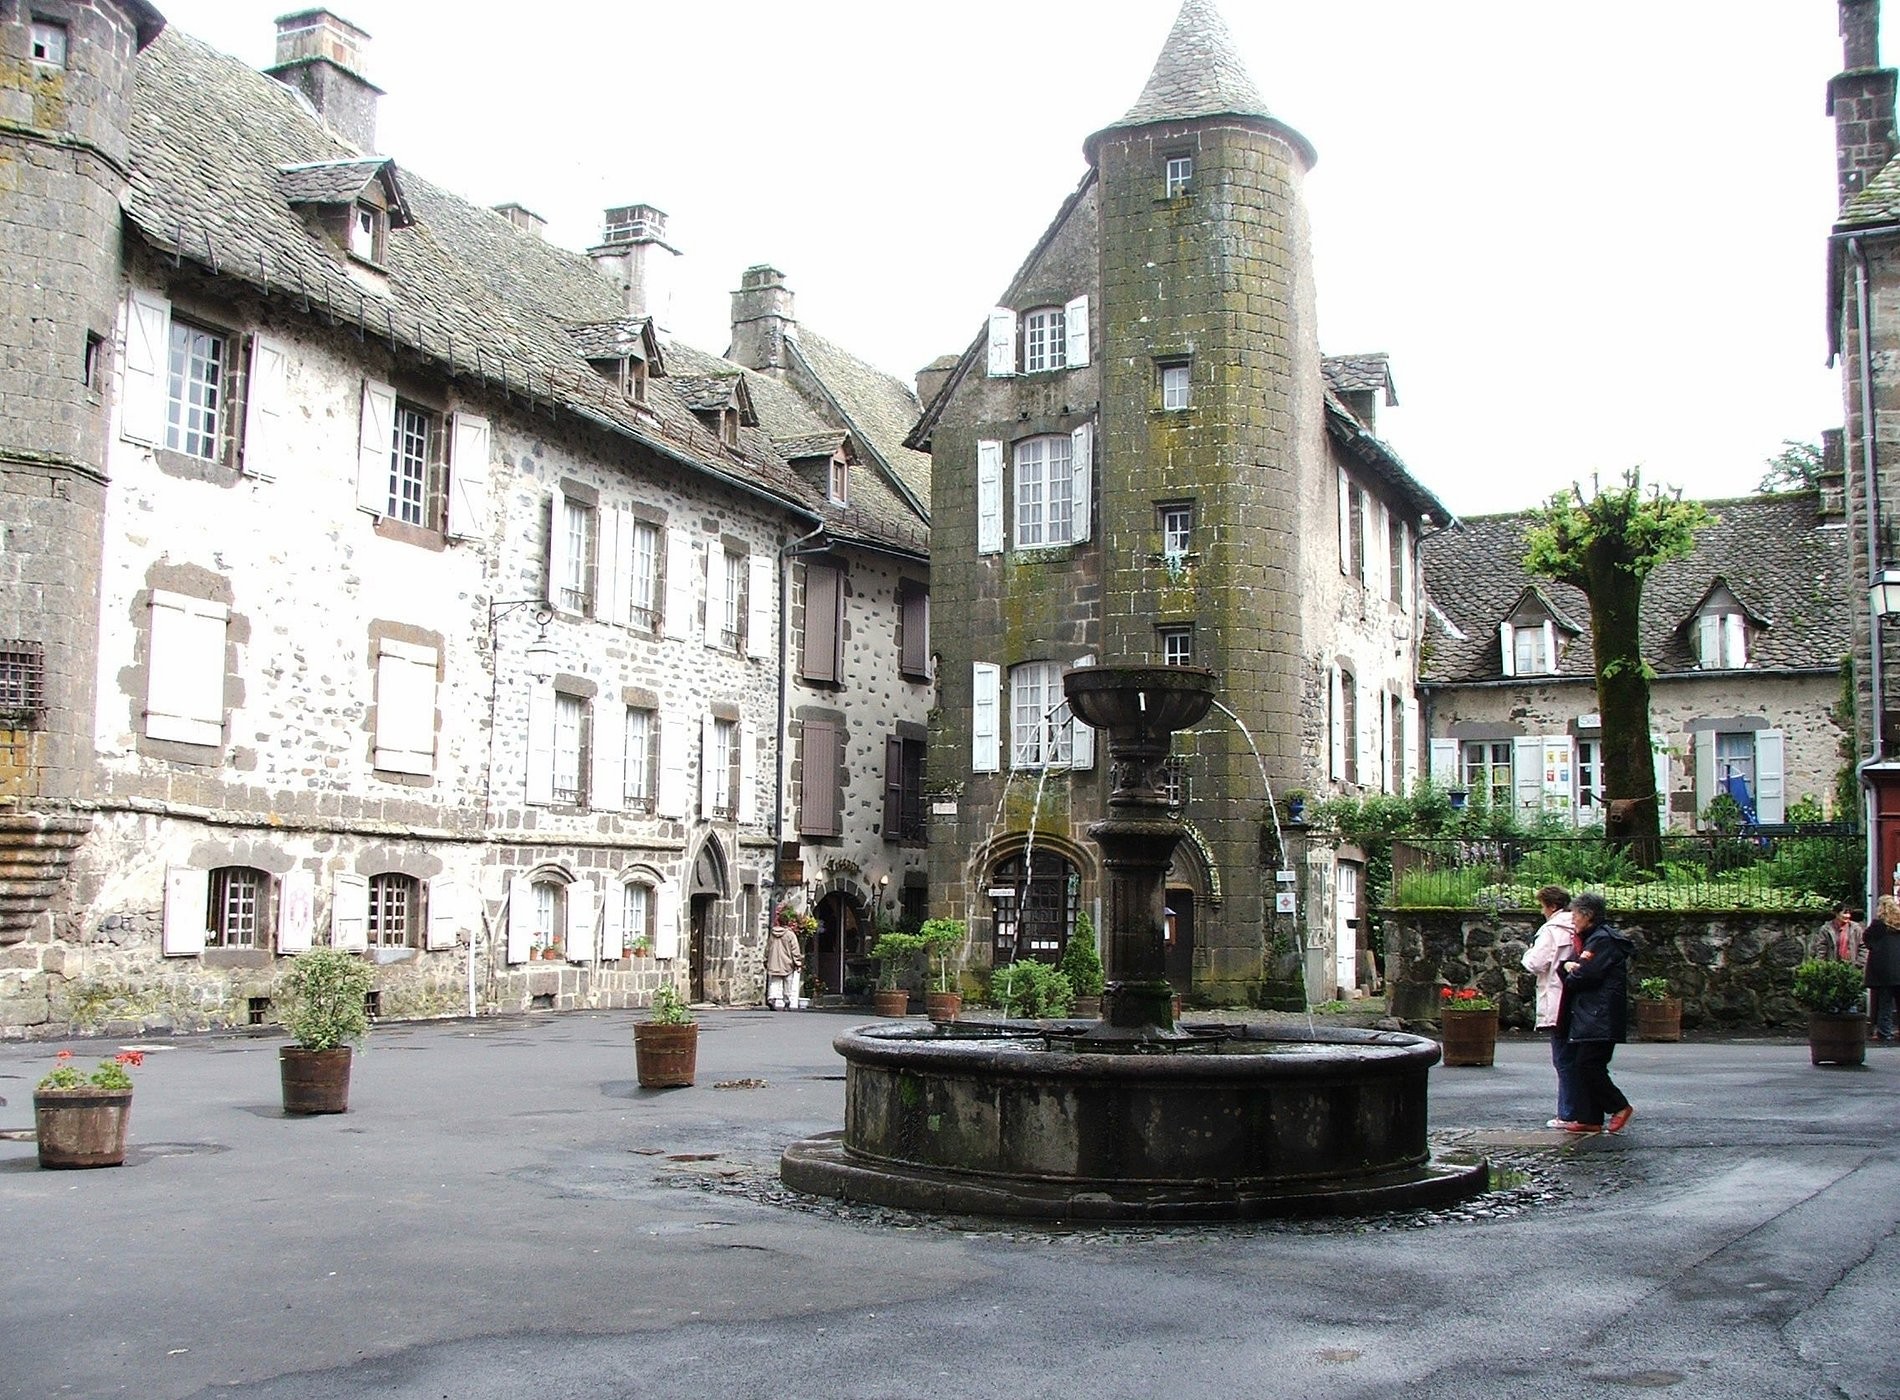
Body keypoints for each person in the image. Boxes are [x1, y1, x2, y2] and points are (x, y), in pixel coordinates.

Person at [1557, 891, 1635, 1134]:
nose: (1572, 920)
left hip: (1599, 1015)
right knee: (1584, 1064)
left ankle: (1619, 1105)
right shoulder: (1596, 938)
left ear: (1588, 916)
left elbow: (1584, 975)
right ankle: (1590, 1117)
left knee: (1588, 1064)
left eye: (1576, 915)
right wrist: (1568, 968)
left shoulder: (1602, 941)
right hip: (1593, 1014)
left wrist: (1569, 970)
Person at [1522, 884, 1581, 1129]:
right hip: (1579, 997)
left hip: (1557, 998)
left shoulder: (1551, 930)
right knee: (1578, 1058)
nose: (1542, 912)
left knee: (1563, 1059)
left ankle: (1567, 1113)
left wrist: (1526, 953)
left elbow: (1535, 962)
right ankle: (1582, 1111)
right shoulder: (1577, 926)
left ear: (1552, 906)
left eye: (1543, 906)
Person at [1864, 895, 1900, 1043]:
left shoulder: (1878, 925)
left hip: (1884, 969)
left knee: (1885, 1002)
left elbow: (1867, 939)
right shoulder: (1898, 924)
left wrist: (1876, 949)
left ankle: (1885, 1032)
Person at [764, 918, 803, 1011]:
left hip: (774, 962)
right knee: (788, 982)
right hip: (787, 963)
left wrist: (766, 960)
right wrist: (798, 963)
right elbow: (795, 950)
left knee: (774, 982)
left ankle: (771, 999)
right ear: (788, 923)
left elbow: (767, 948)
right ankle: (786, 1002)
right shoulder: (790, 935)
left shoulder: (772, 934)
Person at [1814, 902, 1866, 969]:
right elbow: (1821, 947)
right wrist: (1821, 964)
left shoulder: (1856, 928)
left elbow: (1863, 946)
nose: (1847, 916)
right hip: (1832, 965)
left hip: (1852, 966)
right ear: (1836, 913)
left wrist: (1860, 963)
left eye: (1849, 913)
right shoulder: (1826, 929)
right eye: (1845, 913)